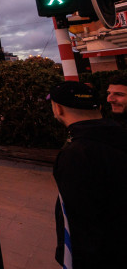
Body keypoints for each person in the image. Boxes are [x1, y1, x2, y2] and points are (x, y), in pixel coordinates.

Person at [48, 81, 127, 268]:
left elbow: (80, 222)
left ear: (58, 109)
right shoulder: (118, 135)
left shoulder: (77, 153)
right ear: (99, 106)